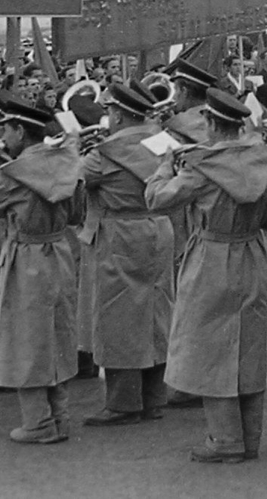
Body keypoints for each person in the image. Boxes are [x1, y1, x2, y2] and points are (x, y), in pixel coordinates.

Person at [144, 89, 267, 463]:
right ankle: (249, 439)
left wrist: (165, 163)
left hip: (211, 255)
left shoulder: (201, 166)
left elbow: (157, 200)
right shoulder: (265, 163)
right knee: (250, 346)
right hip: (253, 253)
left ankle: (224, 440)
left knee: (210, 347)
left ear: (210, 123)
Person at [0, 92, 85, 443]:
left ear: (21, 132)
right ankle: (60, 416)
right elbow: (77, 213)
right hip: (59, 249)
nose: (1, 137)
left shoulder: (14, 173)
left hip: (26, 256)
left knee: (27, 338)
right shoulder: (67, 162)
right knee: (56, 333)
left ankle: (38, 423)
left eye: (5, 130)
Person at [80, 82, 174, 426]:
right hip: (159, 226)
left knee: (117, 315)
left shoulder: (102, 153)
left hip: (120, 231)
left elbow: (77, 181)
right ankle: (154, 397)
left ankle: (122, 402)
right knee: (157, 311)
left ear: (118, 114)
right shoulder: (164, 142)